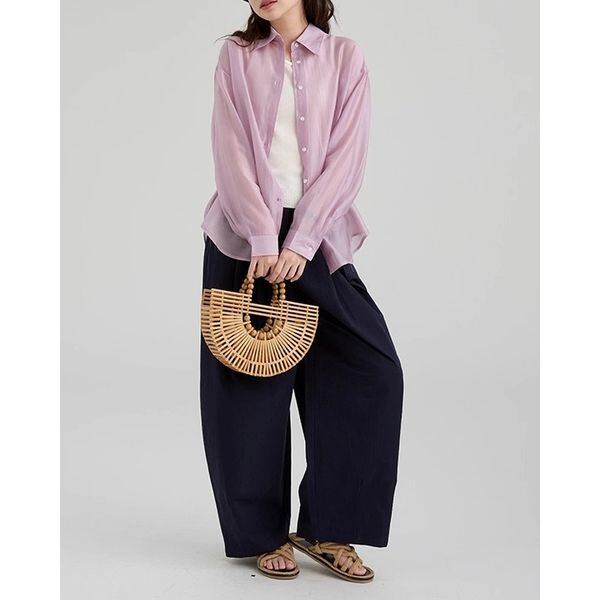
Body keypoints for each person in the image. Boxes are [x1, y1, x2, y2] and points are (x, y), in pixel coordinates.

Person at [200, 0, 404, 583]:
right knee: (250, 386)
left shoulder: (345, 57)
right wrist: (263, 236)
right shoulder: (236, 57)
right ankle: (262, 534)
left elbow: (348, 158)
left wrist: (303, 239)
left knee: (370, 370)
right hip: (246, 238)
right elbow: (231, 152)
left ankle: (328, 529)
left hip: (318, 238)